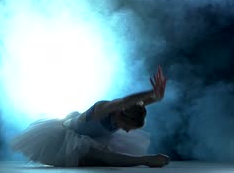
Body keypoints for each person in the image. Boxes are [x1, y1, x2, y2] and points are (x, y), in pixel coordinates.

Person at [11, 65, 170, 167]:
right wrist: (147, 159)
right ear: (121, 114)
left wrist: (157, 97)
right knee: (105, 159)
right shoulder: (101, 110)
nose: (127, 131)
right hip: (67, 136)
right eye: (127, 127)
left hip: (91, 137)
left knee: (102, 159)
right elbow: (123, 101)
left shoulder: (129, 111)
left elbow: (138, 103)